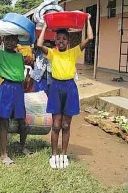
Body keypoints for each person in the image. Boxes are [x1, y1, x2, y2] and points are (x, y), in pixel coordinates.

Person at [37, 14, 93, 169]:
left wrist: (87, 19)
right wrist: (46, 26)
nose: (61, 41)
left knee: (66, 124)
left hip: (70, 88)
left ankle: (63, 155)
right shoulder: (52, 53)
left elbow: (89, 37)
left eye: (64, 39)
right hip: (55, 87)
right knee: (56, 125)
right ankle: (54, 155)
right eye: (58, 38)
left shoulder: (73, 52)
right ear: (55, 41)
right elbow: (39, 43)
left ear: (68, 41)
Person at [0, 33, 29, 165]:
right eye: (7, 39)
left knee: (22, 122)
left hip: (18, 90)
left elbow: (21, 72)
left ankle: (22, 146)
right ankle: (3, 154)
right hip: (6, 88)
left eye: (13, 39)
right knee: (4, 122)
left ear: (17, 41)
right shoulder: (0, 54)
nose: (10, 42)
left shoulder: (19, 56)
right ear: (3, 40)